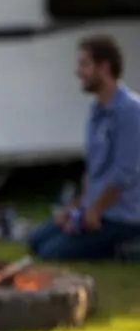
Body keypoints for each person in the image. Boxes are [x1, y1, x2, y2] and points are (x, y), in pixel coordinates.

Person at [28, 34, 140, 260]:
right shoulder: (96, 111)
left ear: (104, 67)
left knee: (52, 253)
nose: (78, 72)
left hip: (120, 215)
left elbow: (125, 171)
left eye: (84, 64)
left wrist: (95, 211)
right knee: (36, 241)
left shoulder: (130, 111)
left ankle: (127, 248)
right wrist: (75, 207)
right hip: (95, 208)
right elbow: (93, 171)